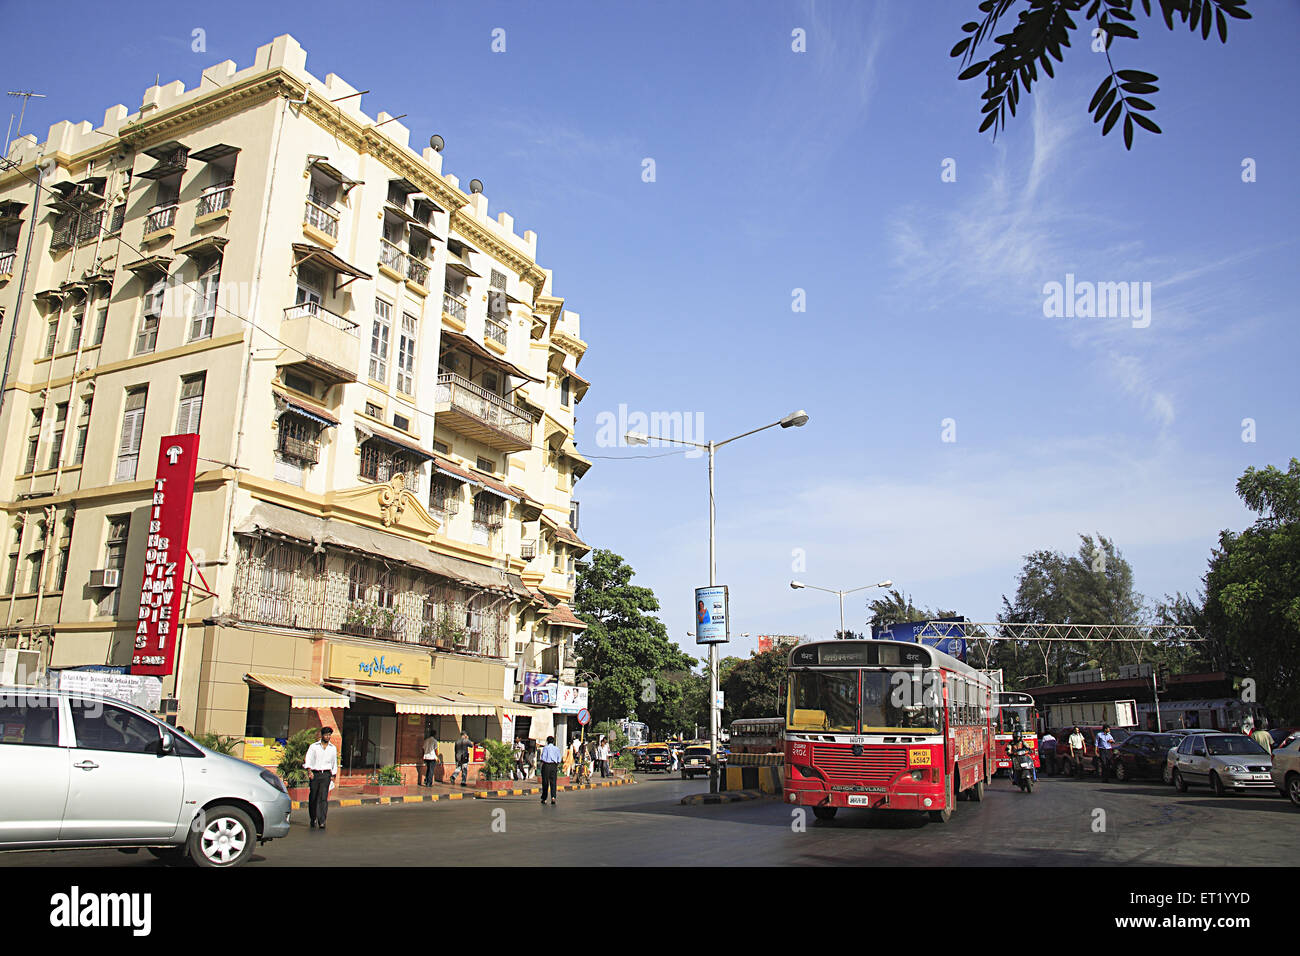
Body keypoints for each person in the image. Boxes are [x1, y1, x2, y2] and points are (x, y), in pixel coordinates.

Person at [304, 726, 338, 830]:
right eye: (326, 735)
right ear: (322, 735)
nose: (328, 737)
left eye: (329, 735)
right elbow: (308, 759)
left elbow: (334, 762)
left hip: (326, 774)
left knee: (323, 798)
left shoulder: (333, 748)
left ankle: (322, 820)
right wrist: (309, 771)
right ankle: (313, 817)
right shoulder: (314, 747)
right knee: (314, 797)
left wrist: (333, 775)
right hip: (315, 774)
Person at [538, 735, 563, 804]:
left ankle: (544, 798)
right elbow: (559, 759)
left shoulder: (545, 748)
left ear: (547, 741)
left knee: (545, 782)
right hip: (554, 766)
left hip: (546, 765)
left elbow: (543, 758)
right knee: (553, 782)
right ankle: (553, 797)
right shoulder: (556, 749)